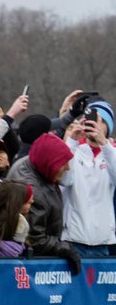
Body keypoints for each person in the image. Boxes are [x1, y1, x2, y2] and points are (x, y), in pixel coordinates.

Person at [7, 133, 80, 272]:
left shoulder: (35, 164)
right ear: (49, 162)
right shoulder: (34, 192)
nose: (68, 168)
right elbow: (35, 239)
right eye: (63, 164)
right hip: (34, 268)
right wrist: (65, 248)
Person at [60, 102, 116, 257]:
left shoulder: (111, 153)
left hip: (103, 241)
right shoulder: (75, 150)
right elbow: (65, 180)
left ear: (108, 128)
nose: (95, 124)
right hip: (74, 239)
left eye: (101, 121)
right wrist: (71, 142)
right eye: (91, 119)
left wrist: (104, 143)